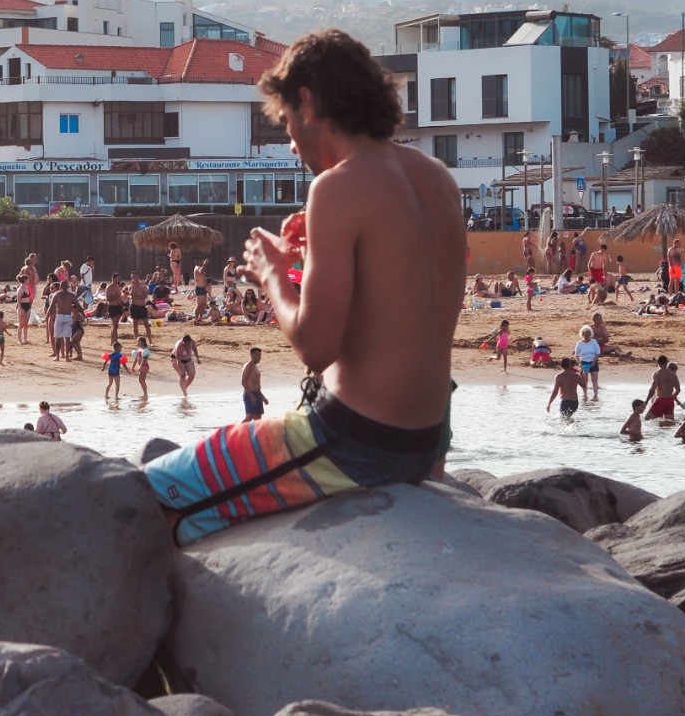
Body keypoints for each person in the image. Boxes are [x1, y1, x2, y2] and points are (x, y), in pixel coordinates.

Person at [144, 28, 458, 545]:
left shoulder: (336, 188)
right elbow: (400, 304)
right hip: (429, 441)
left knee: (153, 491)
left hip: (357, 441)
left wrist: (271, 275)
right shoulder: (438, 178)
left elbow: (316, 347)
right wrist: (315, 252)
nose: (291, 143)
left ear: (308, 102)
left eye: (287, 124)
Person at [644, 356, 681, 420]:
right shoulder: (673, 375)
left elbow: (652, 389)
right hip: (670, 401)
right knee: (668, 423)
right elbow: (678, 390)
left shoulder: (657, 374)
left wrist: (647, 400)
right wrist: (672, 397)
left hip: (661, 400)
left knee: (647, 419)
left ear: (658, 363)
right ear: (666, 363)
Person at [48, 279, 76, 362]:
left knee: (58, 337)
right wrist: (83, 314)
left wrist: (49, 316)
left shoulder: (57, 294)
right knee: (67, 337)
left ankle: (57, 356)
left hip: (59, 316)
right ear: (68, 287)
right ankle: (66, 357)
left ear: (60, 286)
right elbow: (77, 305)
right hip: (67, 316)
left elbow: (51, 306)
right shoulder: (71, 295)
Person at [240, 347, 267, 422]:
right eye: (257, 355)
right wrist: (251, 396)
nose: (260, 357)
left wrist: (262, 397)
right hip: (250, 394)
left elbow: (257, 384)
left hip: (257, 394)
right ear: (252, 355)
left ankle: (256, 433)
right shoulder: (248, 366)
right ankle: (237, 432)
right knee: (250, 416)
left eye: (260, 355)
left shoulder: (255, 367)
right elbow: (243, 382)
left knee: (258, 419)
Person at [169, 333, 197, 397]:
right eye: (185, 344)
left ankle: (184, 389)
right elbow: (178, 360)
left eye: (188, 344)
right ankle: (185, 393)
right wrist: (181, 369)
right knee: (183, 375)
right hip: (176, 359)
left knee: (191, 376)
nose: (187, 345)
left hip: (187, 360)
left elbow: (195, 349)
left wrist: (197, 358)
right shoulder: (179, 345)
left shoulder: (192, 342)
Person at [128, 272, 152, 340]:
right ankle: (137, 339)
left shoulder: (143, 286)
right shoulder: (131, 286)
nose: (133, 279)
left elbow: (144, 296)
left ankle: (150, 340)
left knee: (146, 324)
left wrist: (136, 297)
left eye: (134, 277)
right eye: (132, 277)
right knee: (135, 325)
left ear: (138, 277)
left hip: (141, 306)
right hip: (134, 306)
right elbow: (131, 295)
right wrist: (134, 287)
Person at [104, 273, 126, 343]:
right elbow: (108, 299)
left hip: (118, 306)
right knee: (115, 324)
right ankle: (115, 341)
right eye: (118, 278)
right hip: (112, 306)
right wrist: (115, 296)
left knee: (115, 325)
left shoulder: (117, 287)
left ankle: (113, 340)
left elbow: (119, 298)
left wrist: (122, 307)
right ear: (114, 278)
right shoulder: (109, 287)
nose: (119, 280)